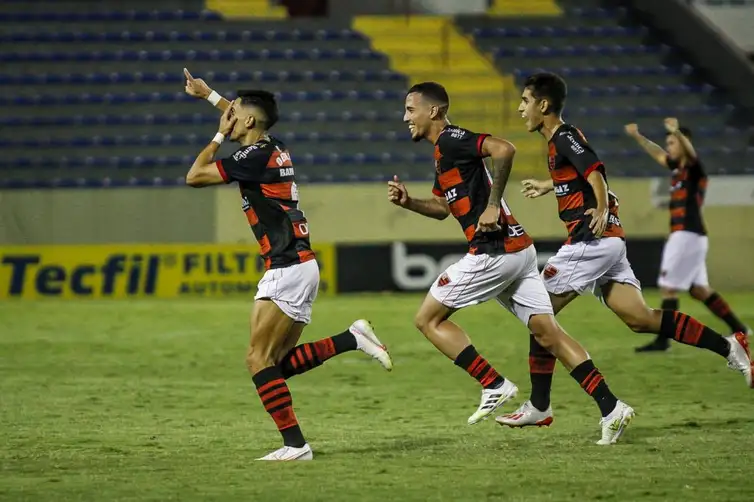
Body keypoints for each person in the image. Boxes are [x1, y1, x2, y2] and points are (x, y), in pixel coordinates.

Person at [497, 72, 753, 429]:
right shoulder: (558, 142)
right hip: (609, 244)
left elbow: (595, 171)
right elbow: (579, 176)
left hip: (592, 240)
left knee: (538, 315)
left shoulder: (564, 136)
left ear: (543, 105)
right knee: (640, 319)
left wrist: (600, 208)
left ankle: (553, 405)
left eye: (525, 101)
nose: (520, 108)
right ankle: (730, 347)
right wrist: (547, 185)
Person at [388, 81, 633, 444]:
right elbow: (442, 208)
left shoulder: (453, 138)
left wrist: (491, 205)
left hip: (493, 252)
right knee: (547, 333)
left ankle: (493, 384)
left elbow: (504, 149)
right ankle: (612, 408)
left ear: (433, 111)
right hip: (519, 252)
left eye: (411, 109)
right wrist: (409, 202)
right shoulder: (445, 153)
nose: (405, 117)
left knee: (426, 319)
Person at [182, 68, 393, 461]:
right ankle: (351, 338)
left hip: (286, 265)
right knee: (276, 364)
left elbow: (194, 176)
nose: (230, 115)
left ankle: (296, 445)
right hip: (299, 263)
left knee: (257, 359)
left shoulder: (254, 155)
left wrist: (216, 134)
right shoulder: (271, 145)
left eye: (235, 113)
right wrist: (211, 95)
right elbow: (245, 115)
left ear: (246, 122)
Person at [625, 119, 751, 352]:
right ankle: (739, 327)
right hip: (689, 236)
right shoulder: (678, 169)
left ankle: (663, 341)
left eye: (672, 142)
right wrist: (638, 137)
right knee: (699, 290)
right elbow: (659, 155)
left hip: (687, 235)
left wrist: (677, 131)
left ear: (684, 143)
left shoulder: (694, 168)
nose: (669, 146)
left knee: (668, 287)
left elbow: (690, 154)